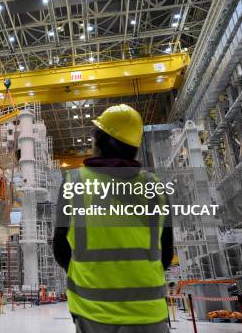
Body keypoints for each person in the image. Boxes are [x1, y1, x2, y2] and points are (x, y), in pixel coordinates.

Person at [53, 104, 173, 333]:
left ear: (99, 141)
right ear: (134, 147)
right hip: (149, 314)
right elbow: (166, 254)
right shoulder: (155, 187)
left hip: (92, 312)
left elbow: (60, 248)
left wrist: (89, 274)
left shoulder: (74, 183)